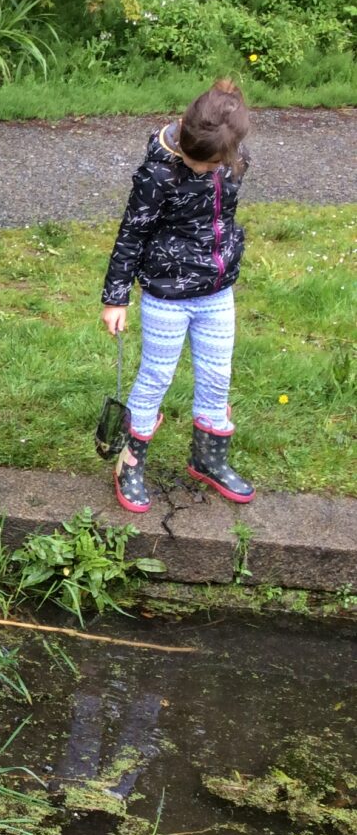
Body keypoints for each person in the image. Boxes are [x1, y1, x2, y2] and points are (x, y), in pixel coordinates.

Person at [102, 79, 254, 513]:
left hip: (217, 292)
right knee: (156, 376)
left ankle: (208, 459)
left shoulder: (233, 157)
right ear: (183, 138)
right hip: (167, 295)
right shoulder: (158, 174)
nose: (204, 170)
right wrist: (116, 297)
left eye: (213, 164)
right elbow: (131, 234)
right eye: (197, 162)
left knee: (216, 374)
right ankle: (129, 461)